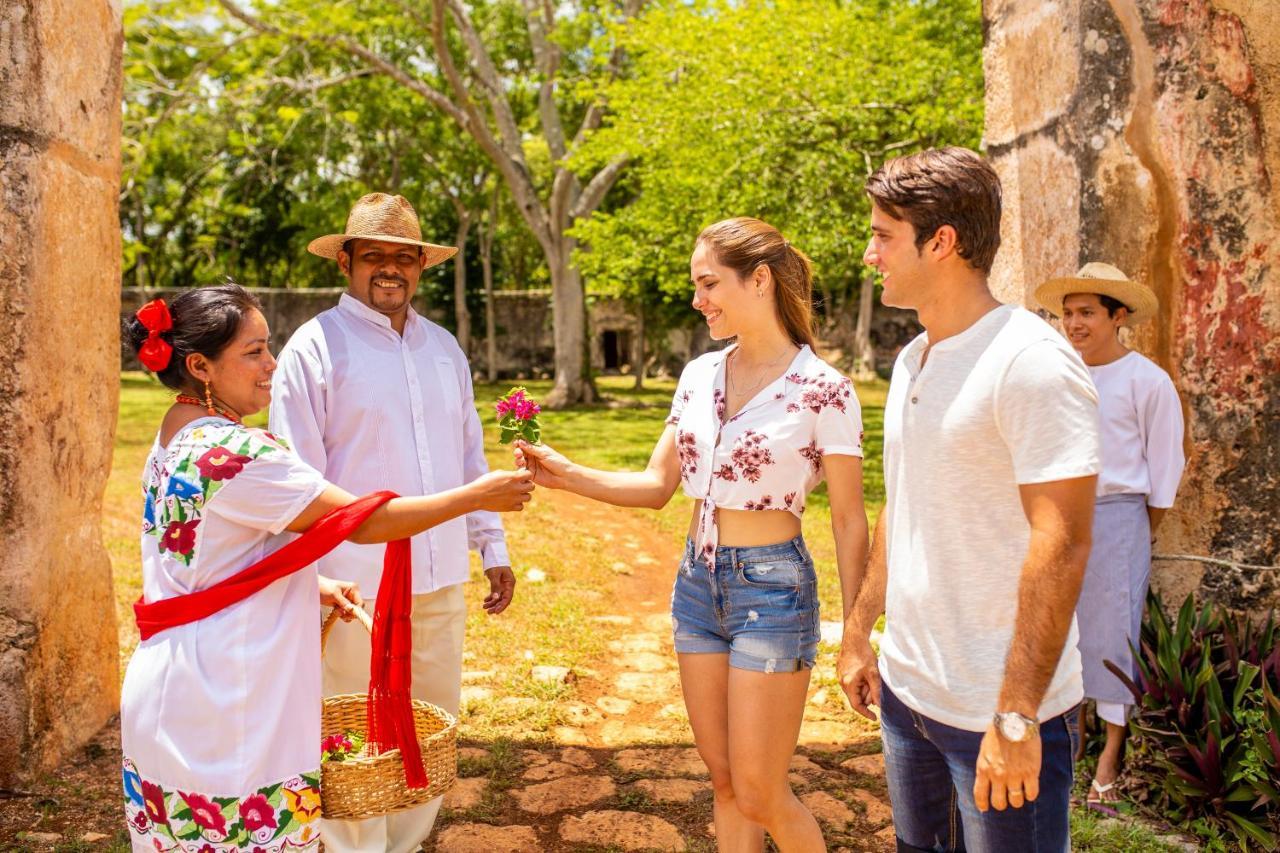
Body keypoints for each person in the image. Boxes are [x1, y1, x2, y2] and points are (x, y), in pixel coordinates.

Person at [120, 284, 533, 853]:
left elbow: (201, 558)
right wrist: (473, 497)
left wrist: (309, 581)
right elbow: (362, 521)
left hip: (176, 682)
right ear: (199, 366)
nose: (272, 364)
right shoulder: (235, 455)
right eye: (255, 351)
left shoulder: (175, 435)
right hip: (229, 690)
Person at [516, 217, 869, 852]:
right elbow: (656, 486)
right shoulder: (699, 374)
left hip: (774, 590)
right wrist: (565, 475)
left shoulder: (825, 390)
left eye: (708, 284)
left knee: (762, 790)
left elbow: (848, 518)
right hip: (697, 586)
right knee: (727, 780)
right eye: (695, 286)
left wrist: (858, 635)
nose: (697, 299)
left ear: (758, 280)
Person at [836, 147, 1101, 851]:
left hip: (1001, 713)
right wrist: (863, 629)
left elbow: (1065, 541)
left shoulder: (1031, 362)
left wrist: (1015, 717)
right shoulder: (912, 359)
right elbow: (904, 503)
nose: (870, 254)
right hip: (907, 696)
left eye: (883, 235)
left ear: (942, 241)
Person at [269, 192, 518, 853]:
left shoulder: (444, 349)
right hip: (353, 583)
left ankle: (405, 844)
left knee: (428, 726)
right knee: (350, 733)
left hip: (437, 575)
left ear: (420, 267)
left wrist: (490, 543)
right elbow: (298, 478)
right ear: (346, 262)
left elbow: (470, 454)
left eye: (403, 257)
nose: (390, 269)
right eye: (373, 255)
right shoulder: (314, 349)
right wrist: (313, 579)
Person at [1034, 262, 1185, 809]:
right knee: (1057, 626)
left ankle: (1110, 756)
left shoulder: (1148, 381)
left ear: (1117, 316)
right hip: (1056, 516)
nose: (1074, 323)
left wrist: (1132, 534)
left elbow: (1164, 469)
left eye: (1087, 313)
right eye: (1068, 313)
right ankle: (1066, 744)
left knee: (1114, 632)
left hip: (1121, 516)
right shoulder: (1059, 375)